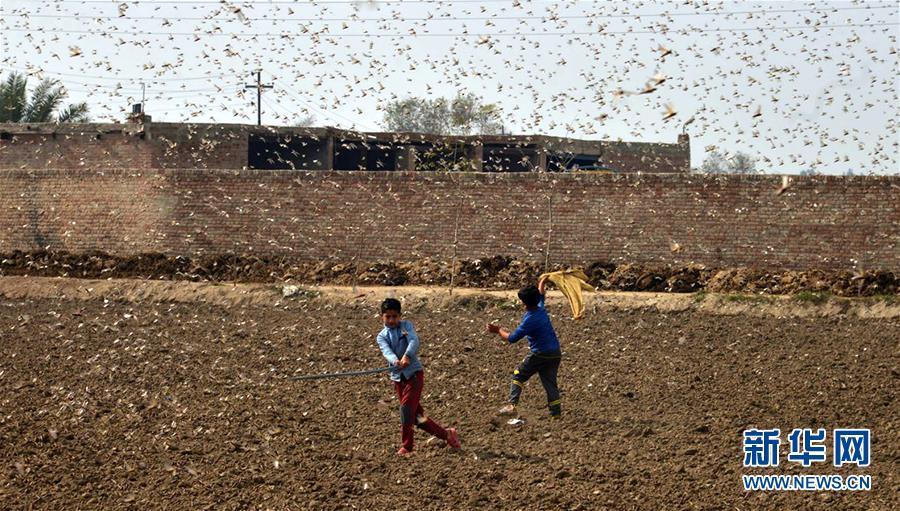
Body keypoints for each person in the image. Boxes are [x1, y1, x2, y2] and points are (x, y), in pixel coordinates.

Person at [376, 298, 460, 456]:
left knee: (406, 409)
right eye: (388, 317)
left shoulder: (405, 327)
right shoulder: (381, 336)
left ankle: (407, 446)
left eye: (395, 316)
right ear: (382, 316)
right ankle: (447, 434)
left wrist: (407, 356)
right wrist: (395, 361)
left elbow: (413, 340)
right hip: (398, 378)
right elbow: (386, 351)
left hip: (414, 375)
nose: (392, 320)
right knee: (417, 417)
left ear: (400, 316)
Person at [486, 276, 562, 418]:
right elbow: (541, 295)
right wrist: (542, 282)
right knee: (550, 382)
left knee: (518, 375)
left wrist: (497, 330)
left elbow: (512, 338)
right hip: (555, 352)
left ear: (524, 302)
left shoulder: (530, 319)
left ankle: (512, 405)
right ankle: (556, 414)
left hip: (540, 353)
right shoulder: (540, 309)